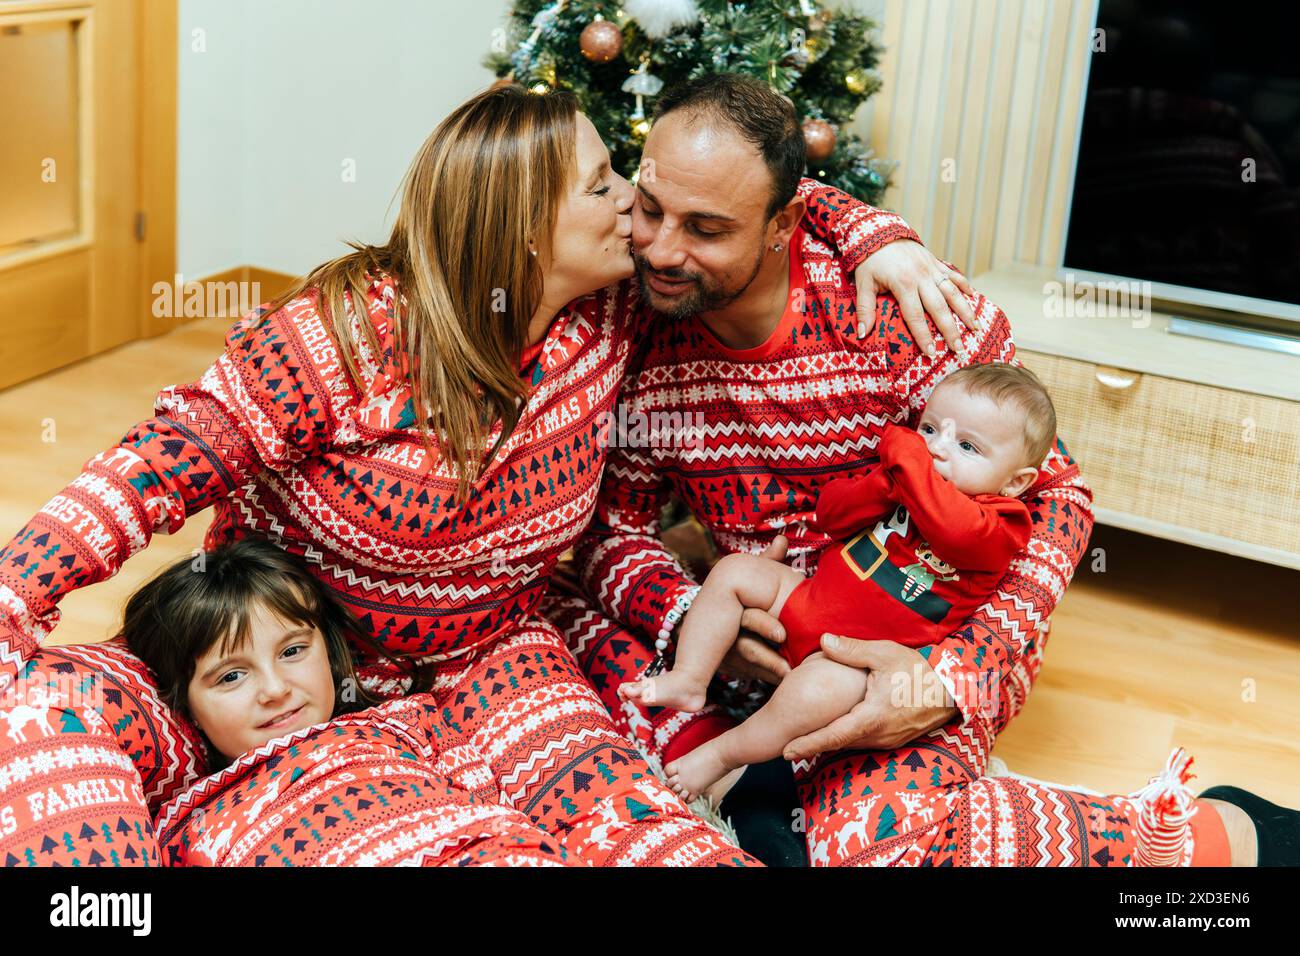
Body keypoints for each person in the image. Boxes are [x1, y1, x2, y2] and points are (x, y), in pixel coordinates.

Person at [0, 79, 956, 867]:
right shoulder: (352, 332)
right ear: (522, 226)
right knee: (46, 726)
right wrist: (13, 593)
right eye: (603, 184)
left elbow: (751, 207)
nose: (636, 204)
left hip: (496, 657)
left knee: (644, 830)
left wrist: (874, 231)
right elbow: (156, 464)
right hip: (273, 650)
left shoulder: (616, 312)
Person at [542, 72, 1300, 867]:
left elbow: (1060, 501)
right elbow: (607, 529)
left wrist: (949, 677)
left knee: (876, 841)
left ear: (784, 222)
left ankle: (1220, 838)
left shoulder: (900, 310)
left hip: (919, 636)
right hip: (762, 626)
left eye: (706, 229)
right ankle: (762, 790)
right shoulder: (636, 327)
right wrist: (692, 615)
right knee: (567, 648)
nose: (661, 249)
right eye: (652, 211)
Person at [621, 363, 1048, 802]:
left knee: (808, 697)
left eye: (966, 446)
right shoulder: (902, 480)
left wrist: (908, 459)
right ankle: (690, 678)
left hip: (853, 663)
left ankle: (723, 756)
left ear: (1016, 482)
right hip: (806, 599)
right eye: (930, 428)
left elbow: (952, 528)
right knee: (734, 572)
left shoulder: (1002, 523)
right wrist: (883, 486)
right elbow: (831, 515)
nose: (936, 450)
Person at [123, 537, 570, 866]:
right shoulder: (188, 824)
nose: (275, 689)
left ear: (329, 649)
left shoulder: (401, 724)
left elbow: (487, 801)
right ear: (184, 707)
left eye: (293, 651)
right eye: (232, 676)